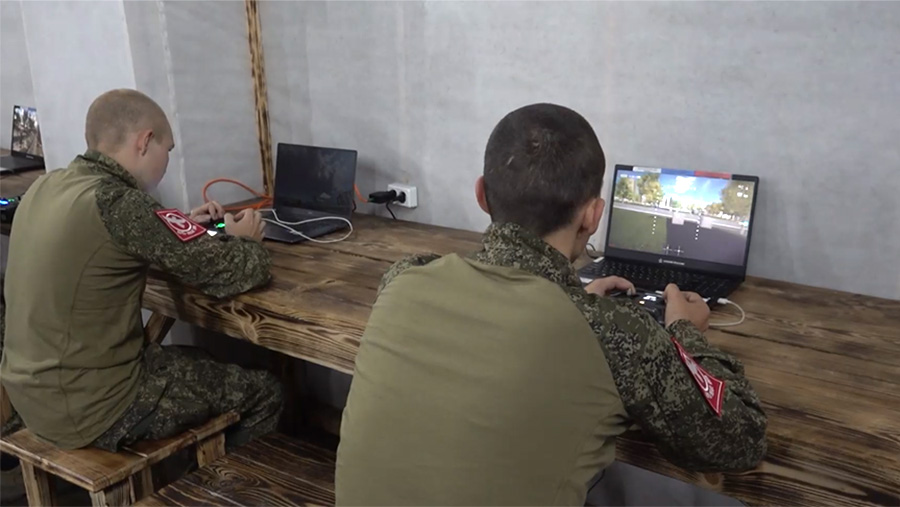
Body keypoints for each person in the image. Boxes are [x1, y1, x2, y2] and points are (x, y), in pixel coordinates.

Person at [336, 103, 767, 505]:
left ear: (481, 195)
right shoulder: (612, 332)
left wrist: (575, 305)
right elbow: (742, 440)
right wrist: (684, 332)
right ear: (593, 215)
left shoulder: (405, 277)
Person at [0, 89, 282, 454]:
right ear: (145, 142)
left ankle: (194, 470)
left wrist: (179, 225)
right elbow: (235, 272)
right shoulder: (119, 203)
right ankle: (221, 484)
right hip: (90, 408)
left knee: (202, 361)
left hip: (31, 393)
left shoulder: (48, 185)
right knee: (264, 392)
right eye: (168, 150)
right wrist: (246, 239)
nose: (167, 162)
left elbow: (122, 236)